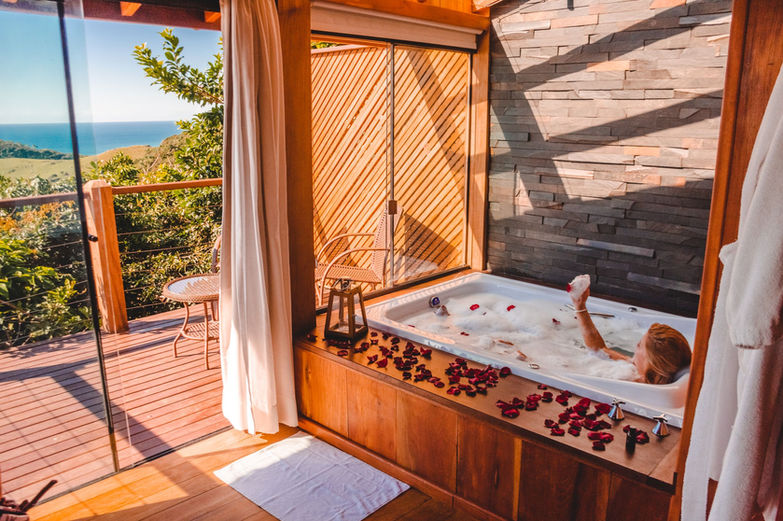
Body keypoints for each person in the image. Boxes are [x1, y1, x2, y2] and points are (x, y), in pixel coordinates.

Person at [569, 283, 692, 384]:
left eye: (639, 345)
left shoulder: (631, 381)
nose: (635, 348)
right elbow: (600, 349)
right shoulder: (644, 373)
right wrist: (580, 306)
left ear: (651, 362)